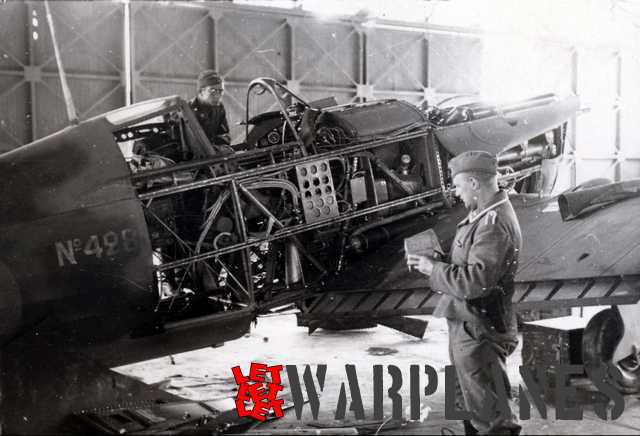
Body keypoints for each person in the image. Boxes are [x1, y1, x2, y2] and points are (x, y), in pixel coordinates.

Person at [407, 150, 522, 435]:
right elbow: (472, 266)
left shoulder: (493, 223)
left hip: (480, 327)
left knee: (491, 414)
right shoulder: (482, 216)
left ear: (473, 183)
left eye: (458, 186)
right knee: (472, 404)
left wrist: (433, 269)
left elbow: (476, 282)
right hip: (469, 323)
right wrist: (438, 261)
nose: (456, 194)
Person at [190, 70, 231, 146]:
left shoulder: (219, 108)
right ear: (201, 91)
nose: (217, 95)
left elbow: (225, 135)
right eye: (213, 91)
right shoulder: (188, 110)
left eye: (220, 91)